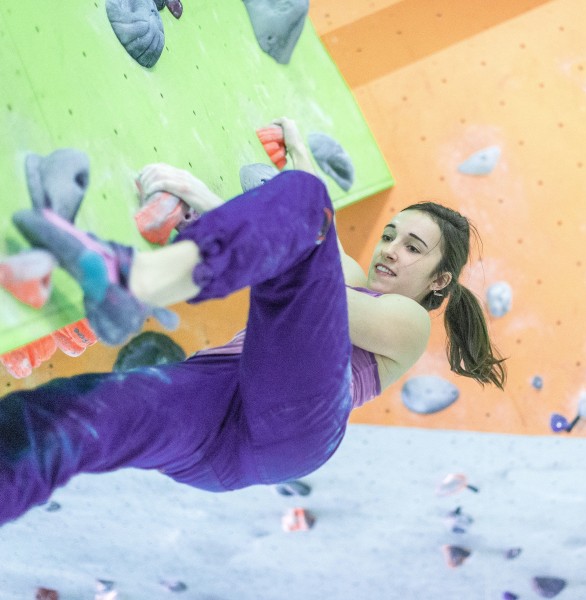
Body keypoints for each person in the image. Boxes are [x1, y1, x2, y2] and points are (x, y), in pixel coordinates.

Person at [0, 118, 506, 526]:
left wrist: (278, 193)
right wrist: (271, 168)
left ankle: (130, 280)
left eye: (412, 248)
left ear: (439, 281)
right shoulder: (345, 268)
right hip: (211, 409)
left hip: (293, 429)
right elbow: (287, 247)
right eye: (391, 235)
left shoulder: (408, 322)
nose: (391, 250)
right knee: (67, 419)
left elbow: (306, 269)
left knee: (308, 208)